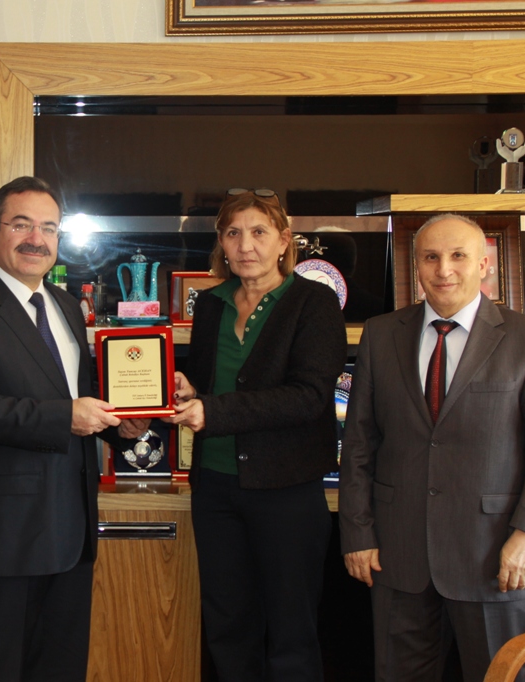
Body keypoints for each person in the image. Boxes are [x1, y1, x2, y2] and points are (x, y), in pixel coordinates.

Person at [0, 176, 148, 682]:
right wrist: (67, 416)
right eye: (21, 224)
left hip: (71, 527)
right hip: (4, 534)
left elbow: (76, 392)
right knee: (0, 670)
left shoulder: (65, 306)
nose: (36, 239)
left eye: (48, 228)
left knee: (62, 668)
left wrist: (120, 426)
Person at [339, 214, 525, 682]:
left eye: (458, 256)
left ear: (484, 264)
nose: (443, 269)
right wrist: (358, 533)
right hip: (398, 555)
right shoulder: (381, 334)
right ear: (416, 266)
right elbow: (361, 444)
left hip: (495, 556)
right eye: (430, 257)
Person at [165, 189, 347, 681]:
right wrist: (189, 391)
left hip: (286, 489)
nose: (245, 245)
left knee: (291, 632)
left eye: (259, 232)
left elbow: (308, 397)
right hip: (215, 487)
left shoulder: (314, 302)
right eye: (233, 233)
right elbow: (214, 385)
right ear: (221, 243)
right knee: (227, 626)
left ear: (284, 241)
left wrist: (213, 410)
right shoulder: (212, 304)